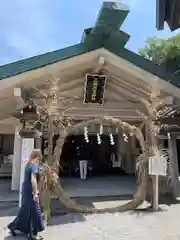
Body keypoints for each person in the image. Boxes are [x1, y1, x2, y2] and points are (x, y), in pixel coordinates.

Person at [7, 149, 45, 240]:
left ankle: (13, 226)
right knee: (34, 212)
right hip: (31, 191)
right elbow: (33, 179)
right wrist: (35, 193)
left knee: (26, 211)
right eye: (40, 155)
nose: (41, 157)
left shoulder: (29, 164)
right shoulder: (34, 165)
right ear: (38, 156)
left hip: (26, 190)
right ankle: (33, 235)